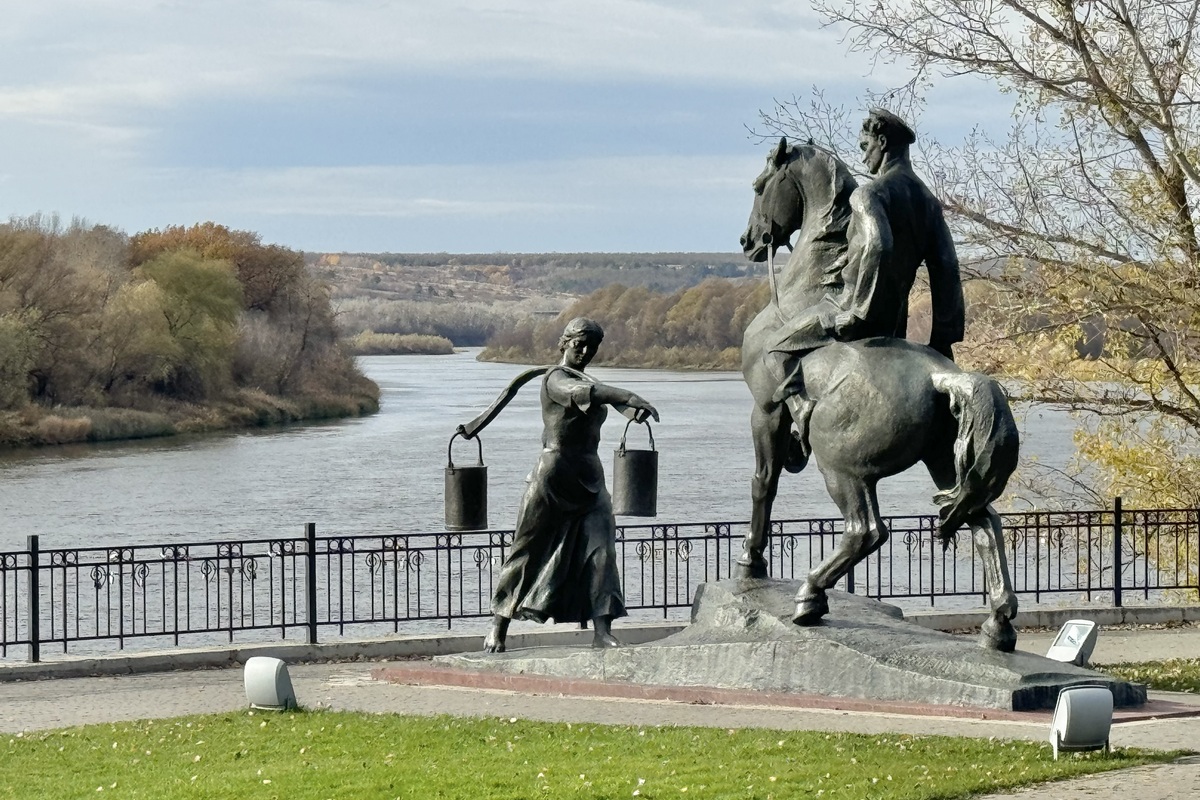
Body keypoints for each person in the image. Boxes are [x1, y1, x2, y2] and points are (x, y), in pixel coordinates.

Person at [769, 108, 965, 466]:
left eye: (865, 146)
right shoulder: (927, 202)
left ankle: (803, 421)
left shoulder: (869, 195)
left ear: (882, 142)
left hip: (851, 309)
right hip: (896, 324)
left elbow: (879, 245)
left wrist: (857, 310)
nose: (863, 156)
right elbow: (947, 268)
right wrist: (943, 340)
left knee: (776, 348)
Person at [483, 317, 659, 653]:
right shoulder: (555, 378)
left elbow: (606, 398)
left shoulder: (589, 380)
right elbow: (582, 394)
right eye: (579, 344)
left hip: (590, 478)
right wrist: (627, 395)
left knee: (602, 552)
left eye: (592, 346)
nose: (585, 351)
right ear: (564, 343)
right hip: (552, 477)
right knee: (527, 551)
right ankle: (498, 625)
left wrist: (632, 411)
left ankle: (602, 631)